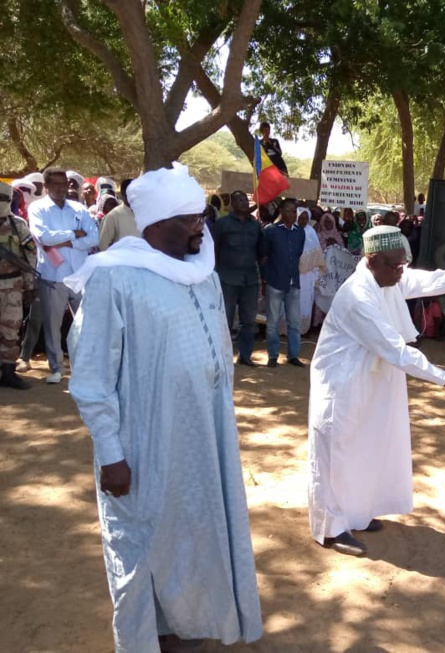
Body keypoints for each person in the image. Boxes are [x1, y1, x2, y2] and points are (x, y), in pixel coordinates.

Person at [64, 162, 262, 653]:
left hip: (204, 433)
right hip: (145, 441)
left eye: (201, 216)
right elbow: (91, 379)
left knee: (194, 533)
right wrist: (111, 454)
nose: (202, 226)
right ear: (155, 225)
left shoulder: (203, 272)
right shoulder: (115, 278)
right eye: (190, 218)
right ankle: (150, 635)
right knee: (143, 541)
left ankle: (188, 620)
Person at [308, 225, 445, 557]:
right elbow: (396, 350)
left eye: (402, 264)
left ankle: (357, 514)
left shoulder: (387, 278)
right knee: (336, 451)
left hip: (372, 380)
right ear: (372, 260)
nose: (401, 271)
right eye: (395, 265)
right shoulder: (357, 296)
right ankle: (330, 528)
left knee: (367, 445)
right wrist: (444, 377)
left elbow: (424, 280)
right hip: (343, 383)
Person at [28, 167, 99, 384]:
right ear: (47, 186)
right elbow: (43, 237)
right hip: (52, 274)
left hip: (79, 274)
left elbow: (93, 238)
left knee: (85, 323)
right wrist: (73, 236)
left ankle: (83, 367)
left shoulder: (78, 208)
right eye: (56, 184)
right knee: (52, 325)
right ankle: (56, 368)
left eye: (64, 184)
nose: (61, 188)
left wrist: (66, 241)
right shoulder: (38, 208)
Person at [209, 190, 265, 366]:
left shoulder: (255, 225)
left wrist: (261, 277)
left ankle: (245, 355)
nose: (244, 203)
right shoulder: (222, 224)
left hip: (249, 279)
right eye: (240, 200)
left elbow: (261, 252)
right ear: (232, 204)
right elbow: (213, 250)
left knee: (248, 321)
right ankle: (222, 356)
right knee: (225, 320)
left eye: (246, 200)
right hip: (227, 278)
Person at [0, 181, 37, 390]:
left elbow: (30, 256)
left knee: (11, 330)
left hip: (12, 285)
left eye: (3, 199)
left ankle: (8, 372)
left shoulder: (18, 225)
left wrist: (30, 286)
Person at [262, 198, 306, 368]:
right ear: (281, 211)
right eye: (288, 211)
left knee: (294, 322)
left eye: (294, 211)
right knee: (272, 323)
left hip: (293, 283)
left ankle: (293, 355)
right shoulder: (271, 231)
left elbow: (298, 254)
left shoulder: (300, 232)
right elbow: (264, 257)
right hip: (275, 281)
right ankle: (273, 355)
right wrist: (265, 280)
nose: (292, 214)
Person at [296, 207, 325, 334]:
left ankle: (303, 329)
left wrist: (315, 271)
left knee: (305, 301)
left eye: (305, 218)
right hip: (293, 274)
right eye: (300, 218)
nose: (303, 221)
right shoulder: (292, 231)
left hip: (307, 276)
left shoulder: (311, 232)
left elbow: (317, 253)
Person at [98, 179, 139, 251]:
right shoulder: (113, 216)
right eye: (130, 193)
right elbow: (103, 245)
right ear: (122, 194)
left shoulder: (146, 213)